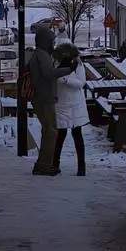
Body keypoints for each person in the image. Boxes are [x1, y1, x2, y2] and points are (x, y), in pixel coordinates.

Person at [29, 27, 75, 176]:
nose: (53, 44)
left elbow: (48, 72)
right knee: (51, 132)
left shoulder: (41, 54)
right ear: (45, 41)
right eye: (51, 41)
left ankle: (42, 164)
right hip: (44, 98)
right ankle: (44, 165)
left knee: (48, 131)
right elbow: (48, 74)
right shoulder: (42, 55)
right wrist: (68, 70)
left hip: (42, 97)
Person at [53, 43, 88, 176]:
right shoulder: (56, 64)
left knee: (77, 134)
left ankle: (81, 167)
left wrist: (66, 79)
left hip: (74, 105)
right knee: (60, 135)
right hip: (61, 104)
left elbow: (81, 83)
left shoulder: (78, 65)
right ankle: (55, 164)